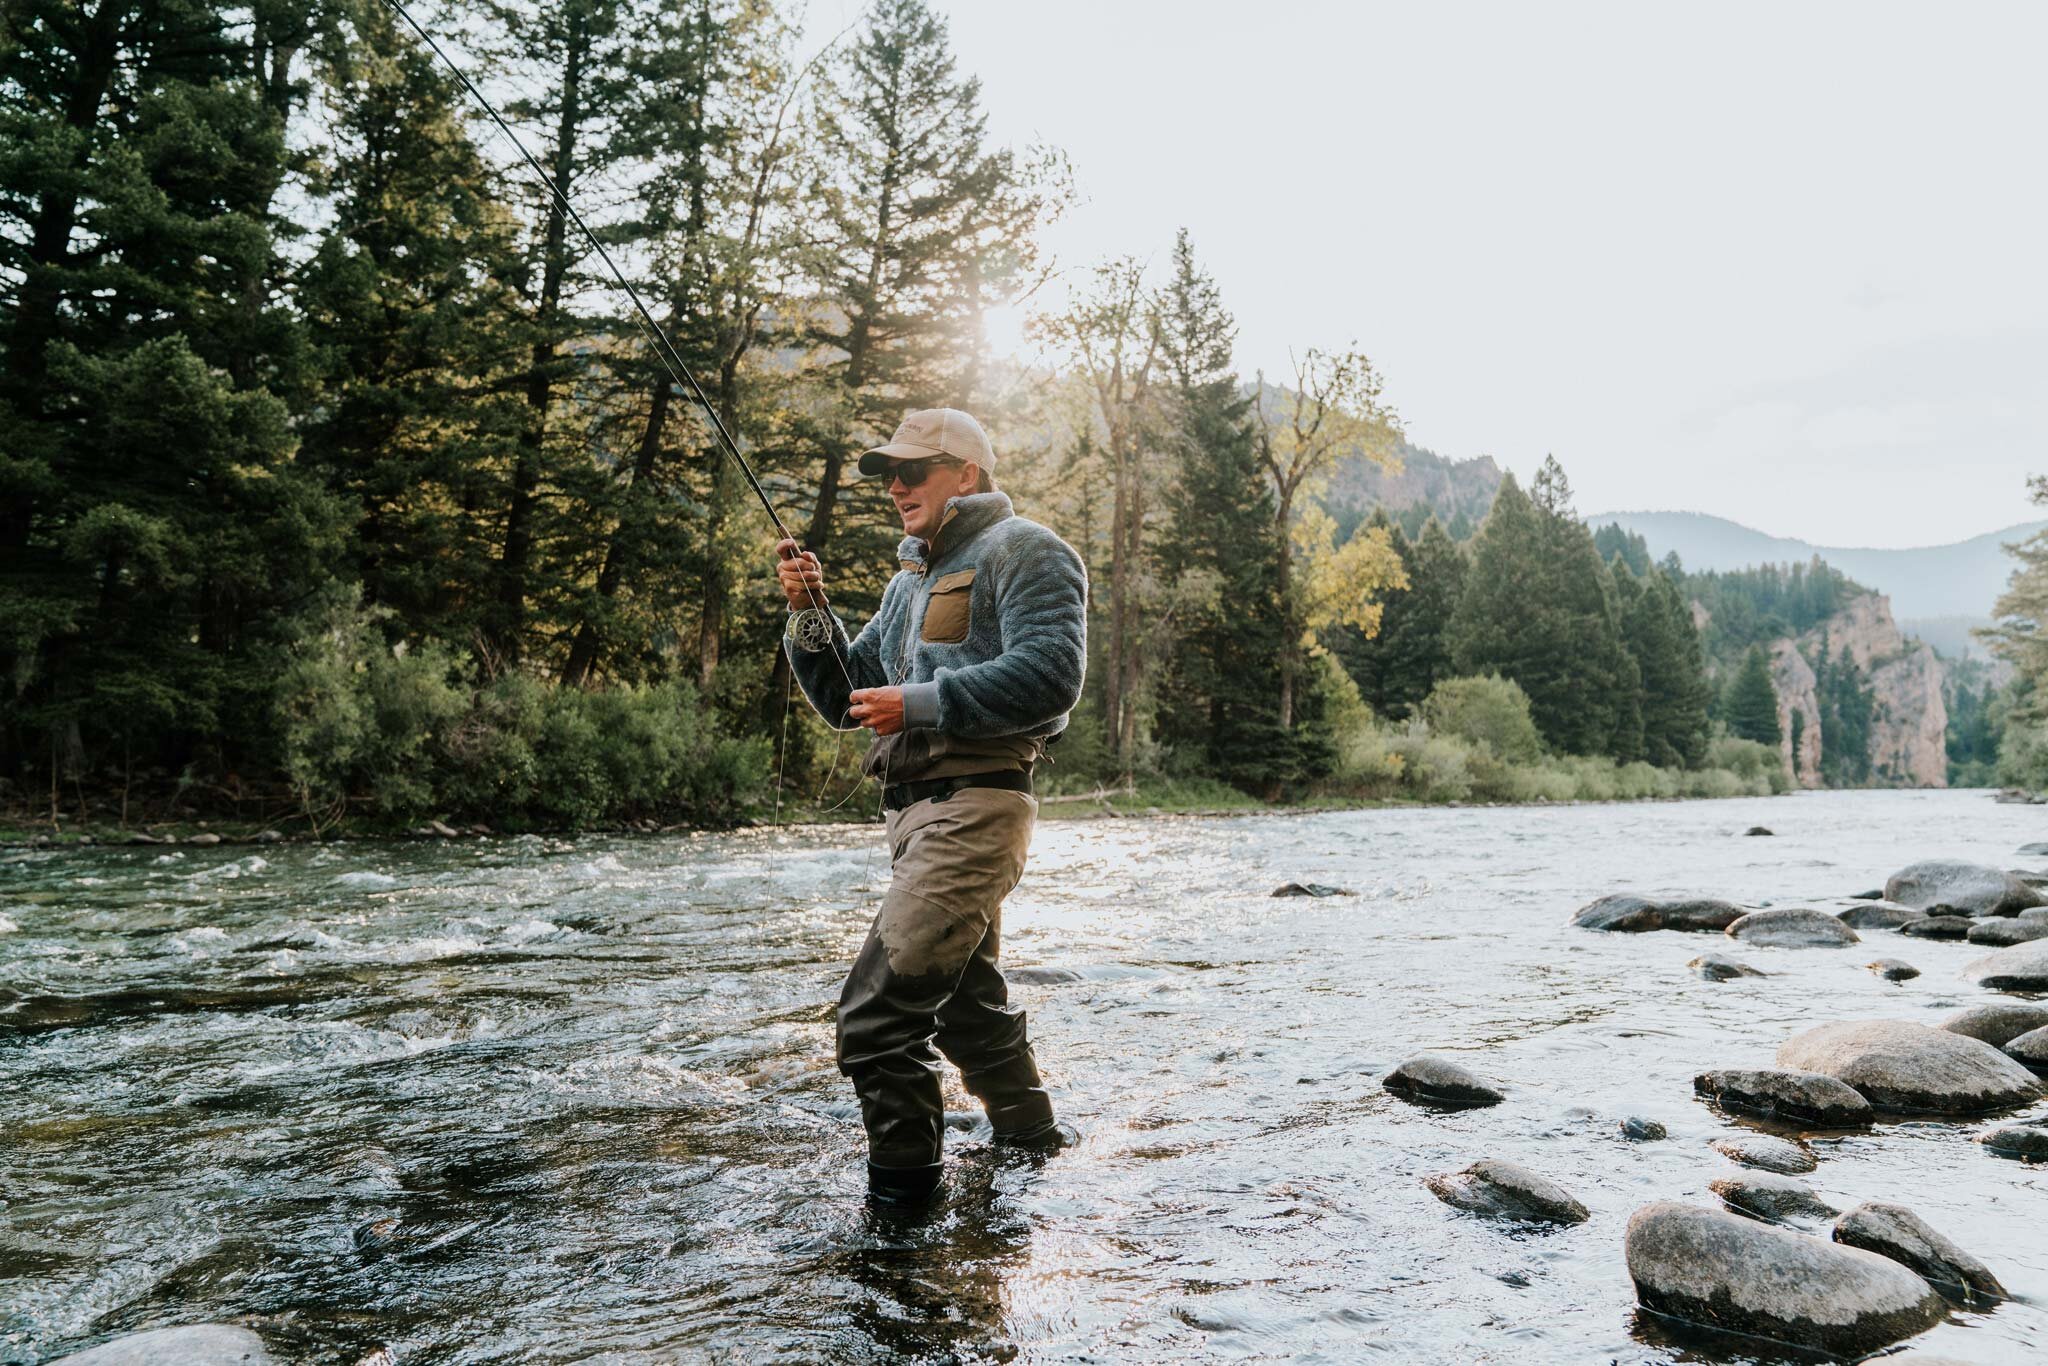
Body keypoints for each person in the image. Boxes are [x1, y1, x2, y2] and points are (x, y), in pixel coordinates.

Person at [776, 407, 1089, 1209]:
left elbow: (1053, 674)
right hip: (914, 819)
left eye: (915, 469)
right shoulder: (906, 582)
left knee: (875, 1021)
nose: (897, 485)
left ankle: (903, 1217)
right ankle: (1033, 1144)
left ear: (967, 475)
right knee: (965, 1010)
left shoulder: (1026, 550)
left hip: (976, 809)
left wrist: (919, 702)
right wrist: (809, 615)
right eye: (890, 472)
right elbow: (848, 698)